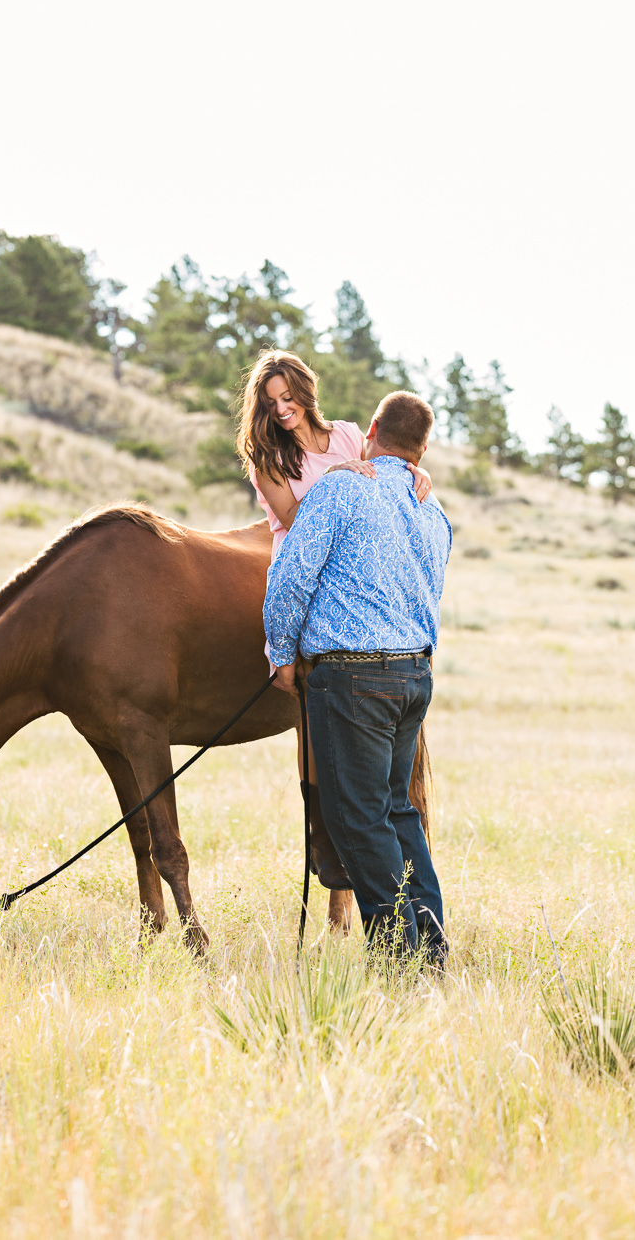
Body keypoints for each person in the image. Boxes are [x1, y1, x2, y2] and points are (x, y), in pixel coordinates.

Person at [262, 390, 452, 960]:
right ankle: (431, 951)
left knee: (360, 819)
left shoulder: (342, 489)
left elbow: (291, 579)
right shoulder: (432, 511)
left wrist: (282, 654)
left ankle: (400, 959)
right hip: (413, 675)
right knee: (397, 811)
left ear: (370, 428)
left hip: (351, 678)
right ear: (421, 451)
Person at [237, 351, 432, 891]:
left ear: (305, 392)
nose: (281, 410)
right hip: (306, 572)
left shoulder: (347, 434)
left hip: (356, 582)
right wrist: (340, 482)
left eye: (288, 397)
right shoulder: (269, 461)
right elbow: (300, 521)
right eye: (270, 402)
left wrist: (418, 474)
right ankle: (332, 841)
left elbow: (389, 472)